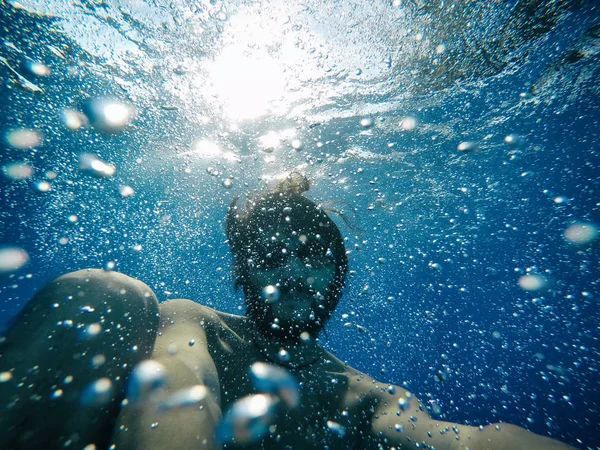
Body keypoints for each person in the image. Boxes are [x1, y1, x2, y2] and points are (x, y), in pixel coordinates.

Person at [0, 174, 575, 450]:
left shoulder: (358, 394)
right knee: (106, 293)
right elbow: (181, 376)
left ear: (339, 273)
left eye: (313, 256)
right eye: (271, 257)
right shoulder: (196, 322)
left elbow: (463, 442)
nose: (294, 273)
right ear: (242, 275)